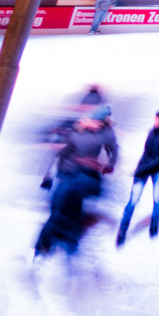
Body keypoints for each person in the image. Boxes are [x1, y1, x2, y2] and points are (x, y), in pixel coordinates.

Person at [35, 108, 118, 257]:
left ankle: (66, 243)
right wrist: (48, 177)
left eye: (100, 123)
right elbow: (60, 155)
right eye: (95, 122)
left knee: (70, 211)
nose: (97, 125)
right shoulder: (74, 133)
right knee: (58, 212)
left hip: (79, 177)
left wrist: (109, 165)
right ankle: (43, 246)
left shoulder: (105, 133)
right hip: (66, 176)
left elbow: (113, 149)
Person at [117, 108, 159, 245]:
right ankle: (122, 230)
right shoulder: (153, 131)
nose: (154, 121)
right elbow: (146, 152)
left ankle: (154, 224)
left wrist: (144, 168)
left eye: (157, 119)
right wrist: (139, 168)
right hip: (143, 169)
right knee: (133, 199)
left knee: (157, 196)